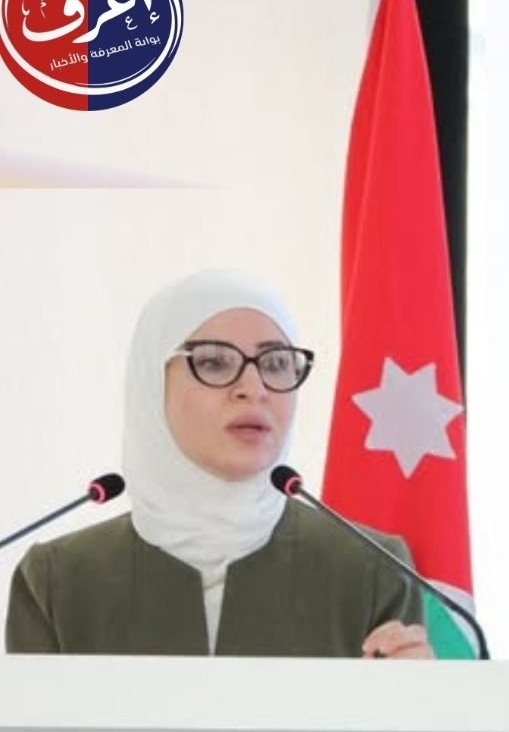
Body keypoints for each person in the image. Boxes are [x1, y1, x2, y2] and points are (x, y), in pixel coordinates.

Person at [4, 270, 433, 658]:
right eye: (213, 362)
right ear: (151, 383)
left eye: (276, 364)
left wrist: (420, 701)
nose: (254, 388)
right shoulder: (58, 582)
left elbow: (395, 721)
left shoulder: (374, 570)